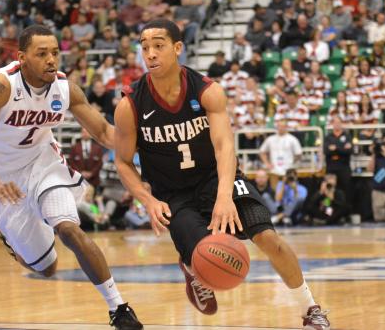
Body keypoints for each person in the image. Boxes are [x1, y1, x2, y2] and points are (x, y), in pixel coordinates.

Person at [113, 19, 330, 328]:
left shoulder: (207, 91)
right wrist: (147, 200)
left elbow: (224, 146)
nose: (150, 54)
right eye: (144, 47)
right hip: (175, 194)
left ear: (177, 48)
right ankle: (191, 266)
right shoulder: (130, 104)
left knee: (269, 239)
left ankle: (311, 310)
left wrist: (225, 195)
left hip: (218, 179)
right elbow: (123, 162)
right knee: (206, 255)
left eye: (158, 46)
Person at [0, 25, 143, 330]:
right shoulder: (1, 85)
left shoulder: (65, 89)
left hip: (43, 164)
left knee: (69, 229)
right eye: (41, 53)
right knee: (47, 268)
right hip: (2, 179)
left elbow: (102, 132)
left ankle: (119, 308)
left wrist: (143, 145)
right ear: (22, 57)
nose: (51, 60)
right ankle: (7, 232)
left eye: (55, 53)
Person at [259, 120, 303, 189]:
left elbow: (299, 154)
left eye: (283, 126)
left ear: (286, 127)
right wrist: (267, 163)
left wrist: (292, 163)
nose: (281, 128)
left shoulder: (293, 139)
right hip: (274, 171)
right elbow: (262, 152)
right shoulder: (270, 139)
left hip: (288, 171)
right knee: (275, 192)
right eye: (279, 126)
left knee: (290, 191)